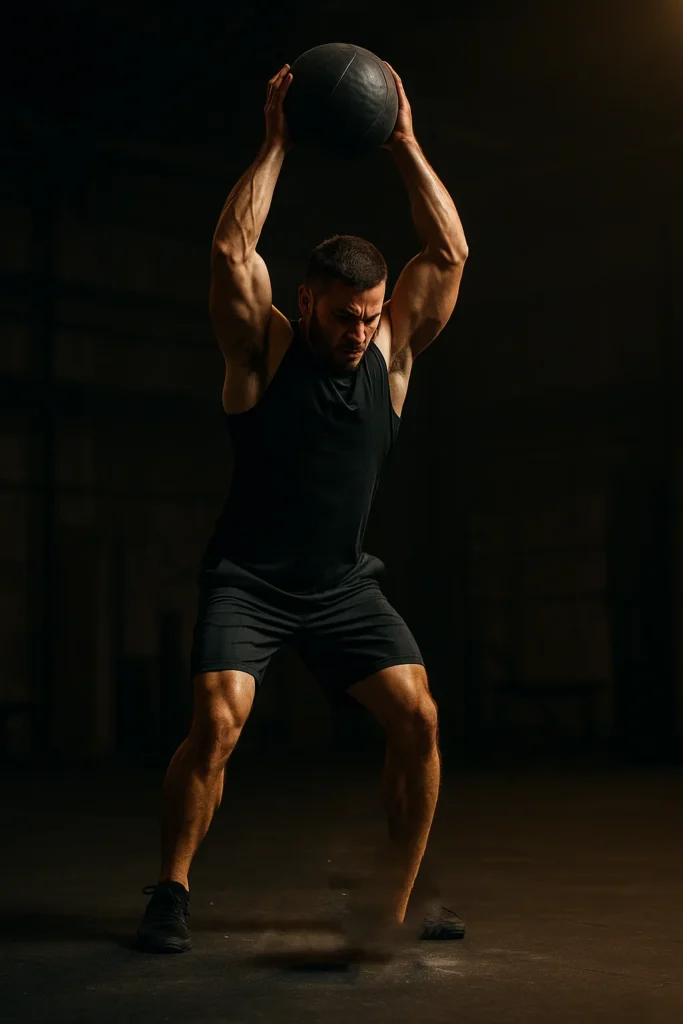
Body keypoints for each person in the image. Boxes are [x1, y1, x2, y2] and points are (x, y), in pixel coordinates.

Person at [138, 61, 468, 956]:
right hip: (249, 578)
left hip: (340, 586)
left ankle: (396, 905)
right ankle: (170, 890)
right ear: (304, 303)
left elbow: (446, 256)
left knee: (420, 717)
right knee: (215, 720)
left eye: (368, 316)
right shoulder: (264, 353)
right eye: (341, 317)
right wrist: (277, 140)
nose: (358, 332)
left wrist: (402, 141)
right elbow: (228, 254)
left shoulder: (390, 356)